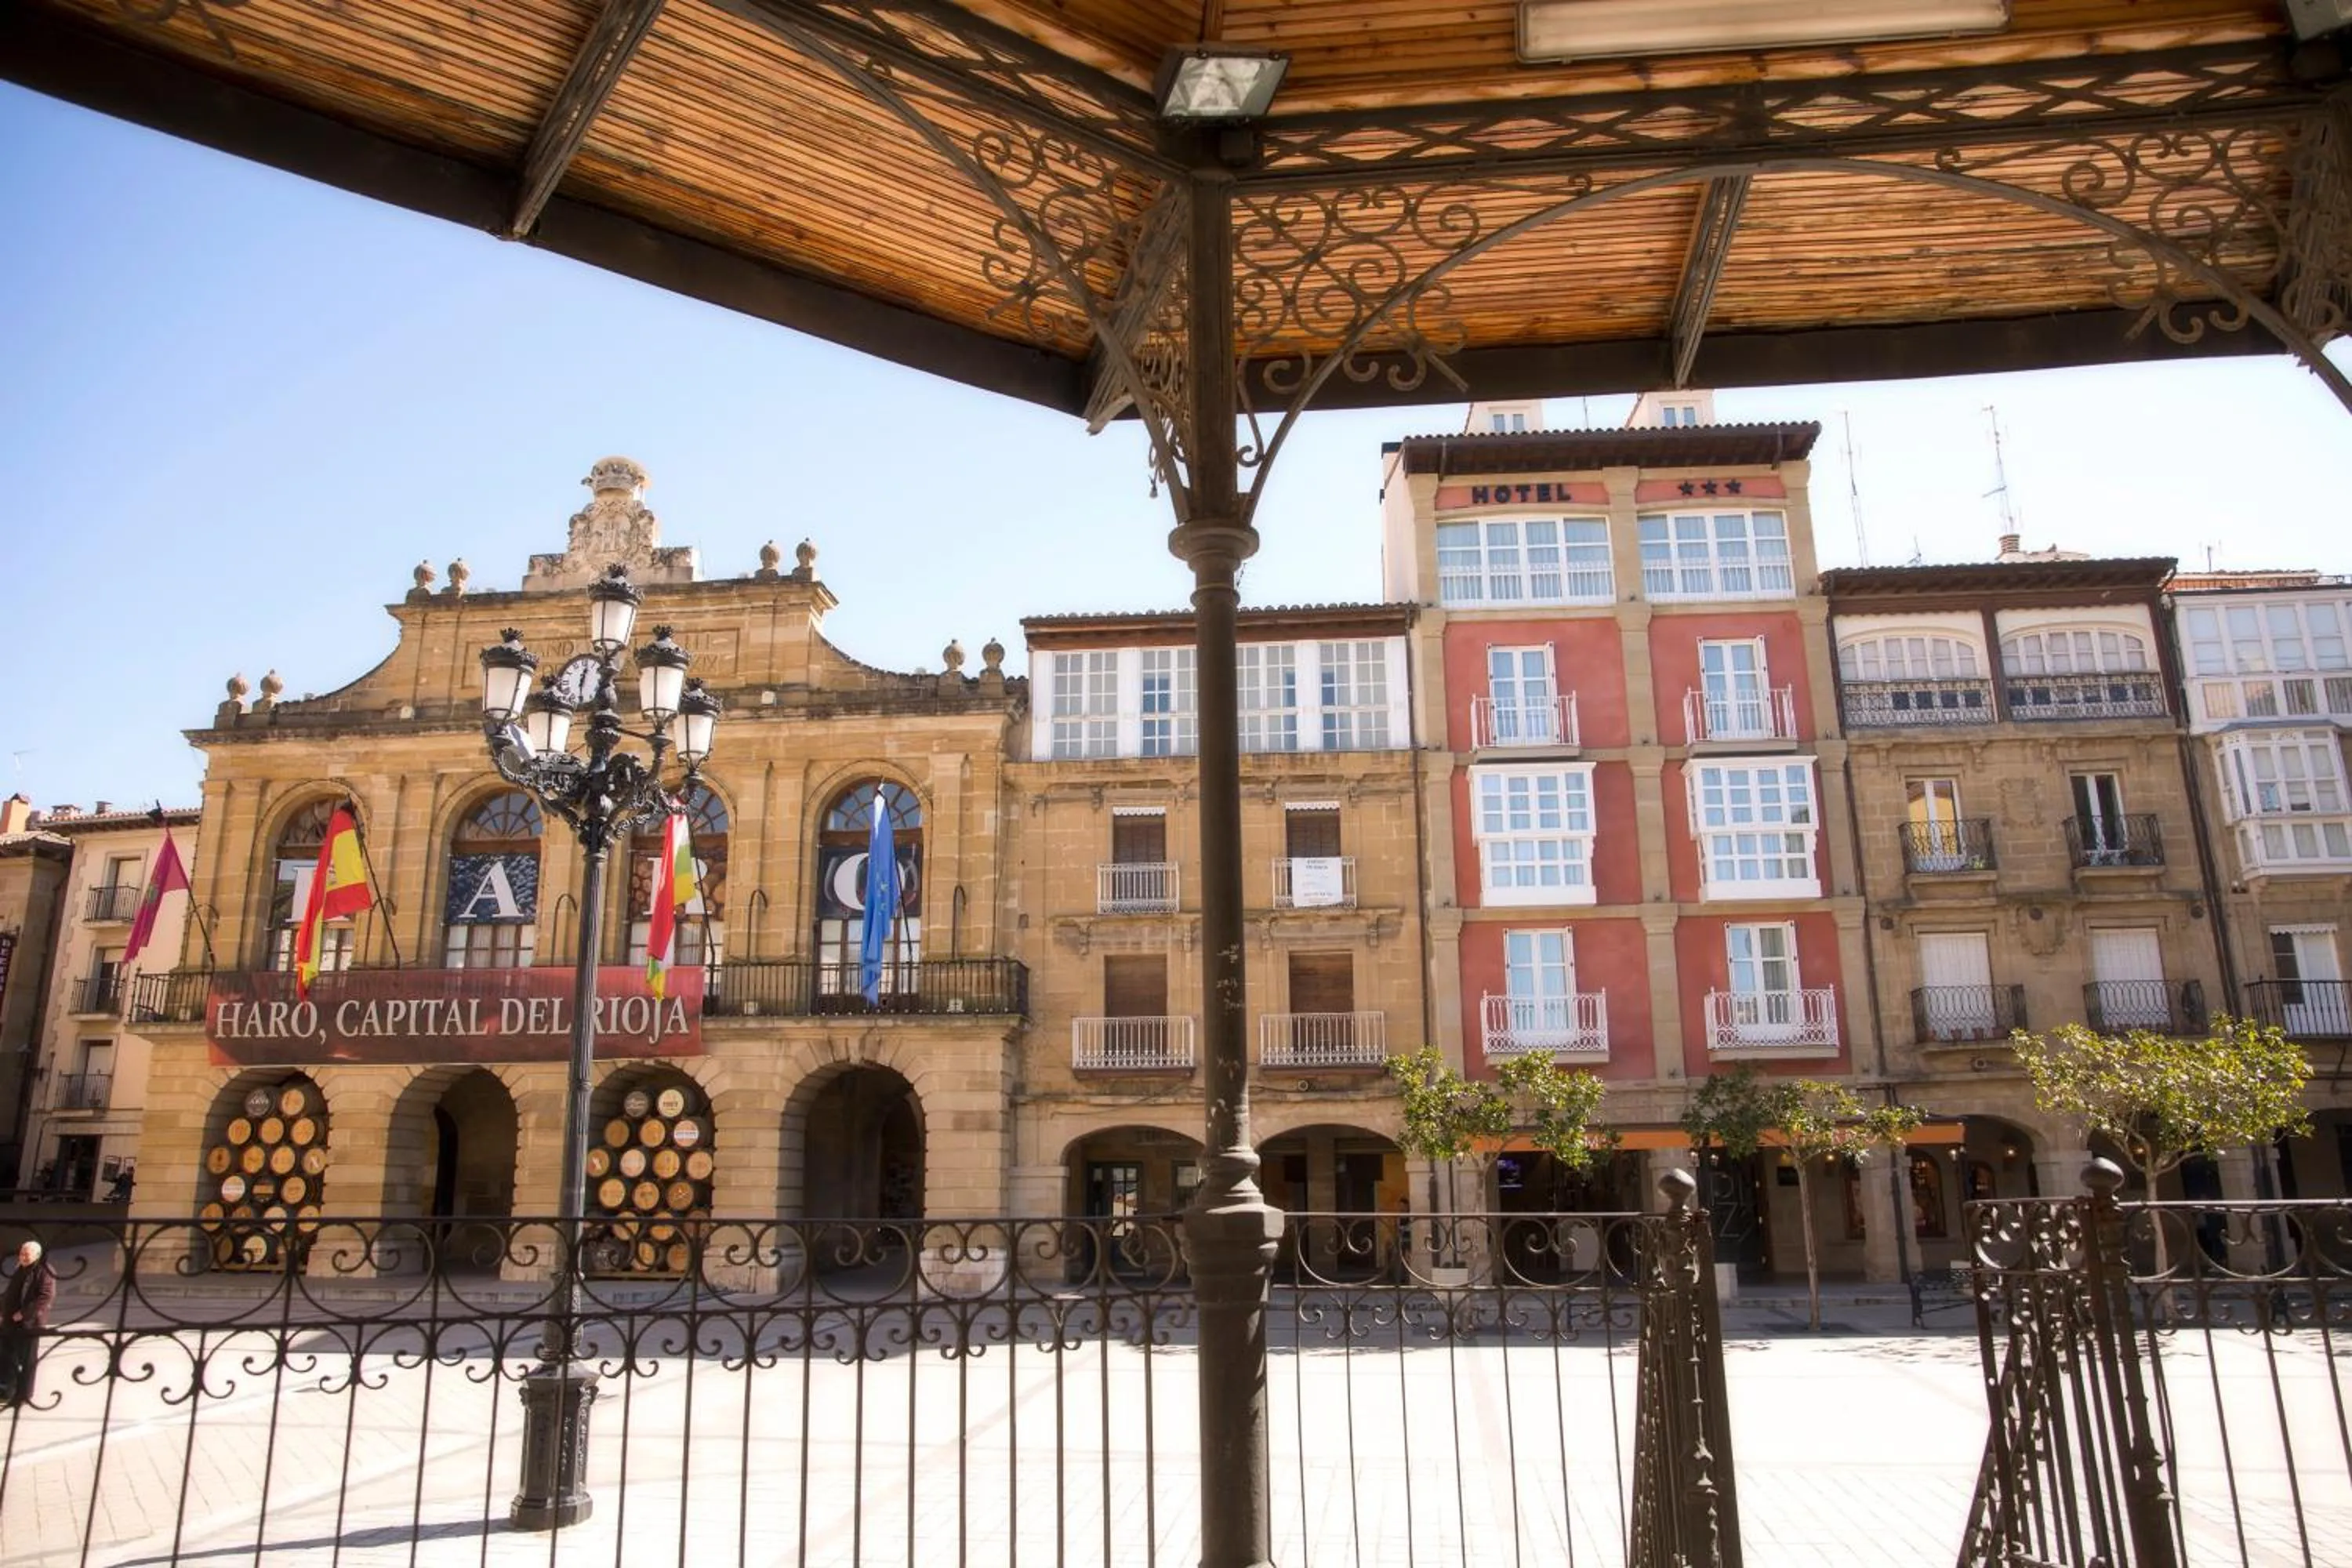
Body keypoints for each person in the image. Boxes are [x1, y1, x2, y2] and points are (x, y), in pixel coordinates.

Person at [0, 1240, 57, 1408]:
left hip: (30, 1324)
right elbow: (10, 1293)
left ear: (37, 1255)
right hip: (10, 1322)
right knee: (6, 1356)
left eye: (27, 1254)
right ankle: (5, 1389)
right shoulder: (21, 1269)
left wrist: (24, 1314)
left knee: (27, 1361)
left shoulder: (44, 1271)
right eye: (22, 1253)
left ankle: (24, 1394)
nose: (23, 1256)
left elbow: (45, 1297)